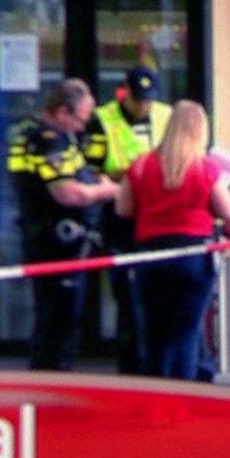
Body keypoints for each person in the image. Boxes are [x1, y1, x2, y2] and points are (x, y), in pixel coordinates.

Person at [116, 100, 230, 380]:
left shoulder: (141, 165)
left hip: (151, 256)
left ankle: (156, 393)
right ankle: (183, 394)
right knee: (186, 332)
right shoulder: (205, 168)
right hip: (193, 255)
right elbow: (228, 212)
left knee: (154, 333)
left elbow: (123, 209)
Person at [7, 78, 119, 371]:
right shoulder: (47, 140)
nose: (83, 127)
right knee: (58, 320)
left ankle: (53, 376)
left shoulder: (51, 134)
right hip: (53, 243)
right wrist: (105, 192)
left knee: (62, 318)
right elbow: (66, 193)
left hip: (61, 241)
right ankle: (51, 380)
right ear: (62, 112)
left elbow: (73, 175)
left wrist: (93, 180)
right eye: (80, 119)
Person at [87, 66, 174, 375]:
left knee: (160, 298)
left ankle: (157, 367)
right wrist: (130, 176)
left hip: (159, 216)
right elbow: (92, 170)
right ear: (125, 92)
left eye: (149, 100)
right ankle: (132, 368)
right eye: (139, 100)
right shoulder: (103, 119)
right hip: (121, 219)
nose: (144, 106)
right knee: (128, 299)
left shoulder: (166, 115)